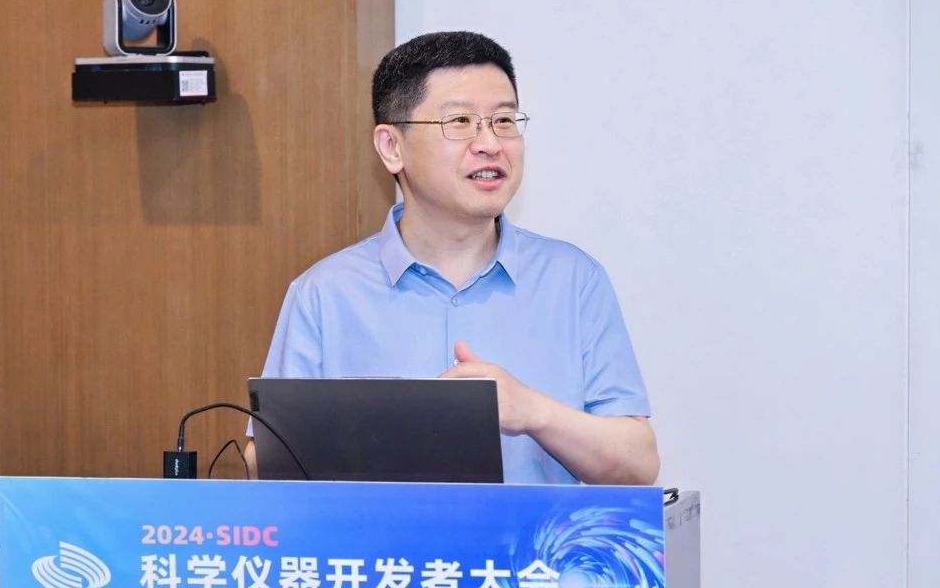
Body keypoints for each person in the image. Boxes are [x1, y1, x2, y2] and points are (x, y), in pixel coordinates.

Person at [248, 31, 658, 485]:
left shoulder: (574, 280)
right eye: (461, 121)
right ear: (391, 147)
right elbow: (263, 463)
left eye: (504, 120)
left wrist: (532, 411)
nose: (490, 143)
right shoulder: (325, 293)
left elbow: (638, 466)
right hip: (383, 535)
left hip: (532, 536)